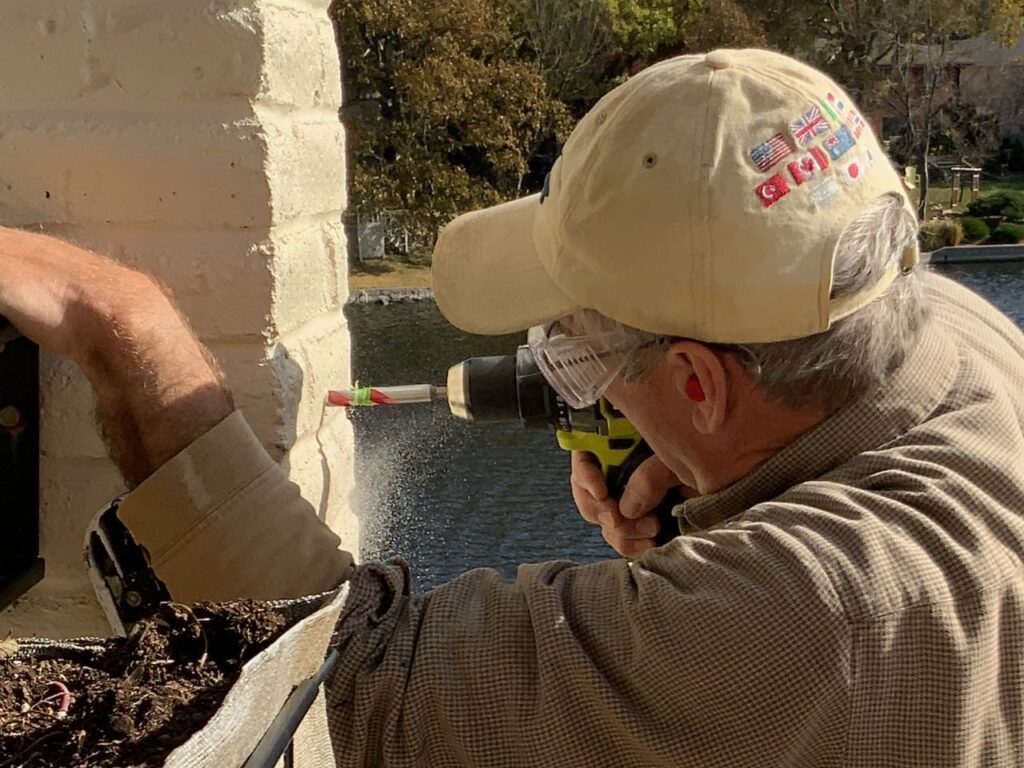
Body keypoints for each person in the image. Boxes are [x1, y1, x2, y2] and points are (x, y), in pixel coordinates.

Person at [3, 48, 1024, 766]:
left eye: (570, 351)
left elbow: (350, 686)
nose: (558, 376)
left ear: (701, 386)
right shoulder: (955, 331)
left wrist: (124, 324)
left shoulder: (799, 621)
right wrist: (727, 489)